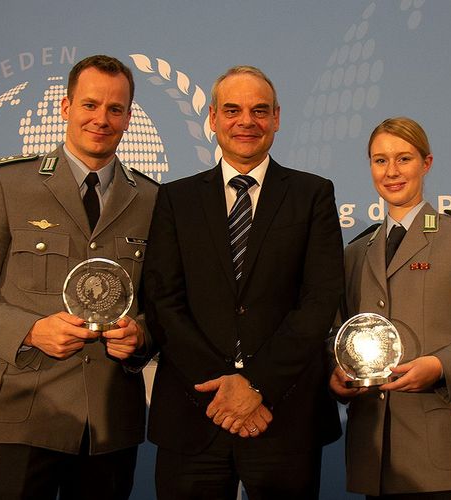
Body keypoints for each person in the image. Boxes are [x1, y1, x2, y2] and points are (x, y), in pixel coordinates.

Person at [0, 54, 158, 499]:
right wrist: (32, 330)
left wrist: (141, 338)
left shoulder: (153, 200)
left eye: (115, 109)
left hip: (110, 425)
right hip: (22, 413)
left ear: (128, 118)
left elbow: (162, 306)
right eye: (90, 105)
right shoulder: (7, 184)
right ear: (65, 107)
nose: (101, 119)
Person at [142, 65, 344, 499]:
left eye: (259, 111)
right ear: (212, 117)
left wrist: (256, 386)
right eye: (232, 110)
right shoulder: (175, 199)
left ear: (276, 118)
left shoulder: (313, 195)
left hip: (283, 417)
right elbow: (162, 301)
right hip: (194, 416)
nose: (246, 121)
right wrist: (224, 385)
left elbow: (320, 300)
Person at [329, 117, 451, 499]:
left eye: (404, 159)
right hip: (378, 456)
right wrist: (337, 374)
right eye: (380, 161)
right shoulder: (354, 252)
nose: (392, 172)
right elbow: (338, 334)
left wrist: (441, 366)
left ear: (426, 163)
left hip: (448, 451)